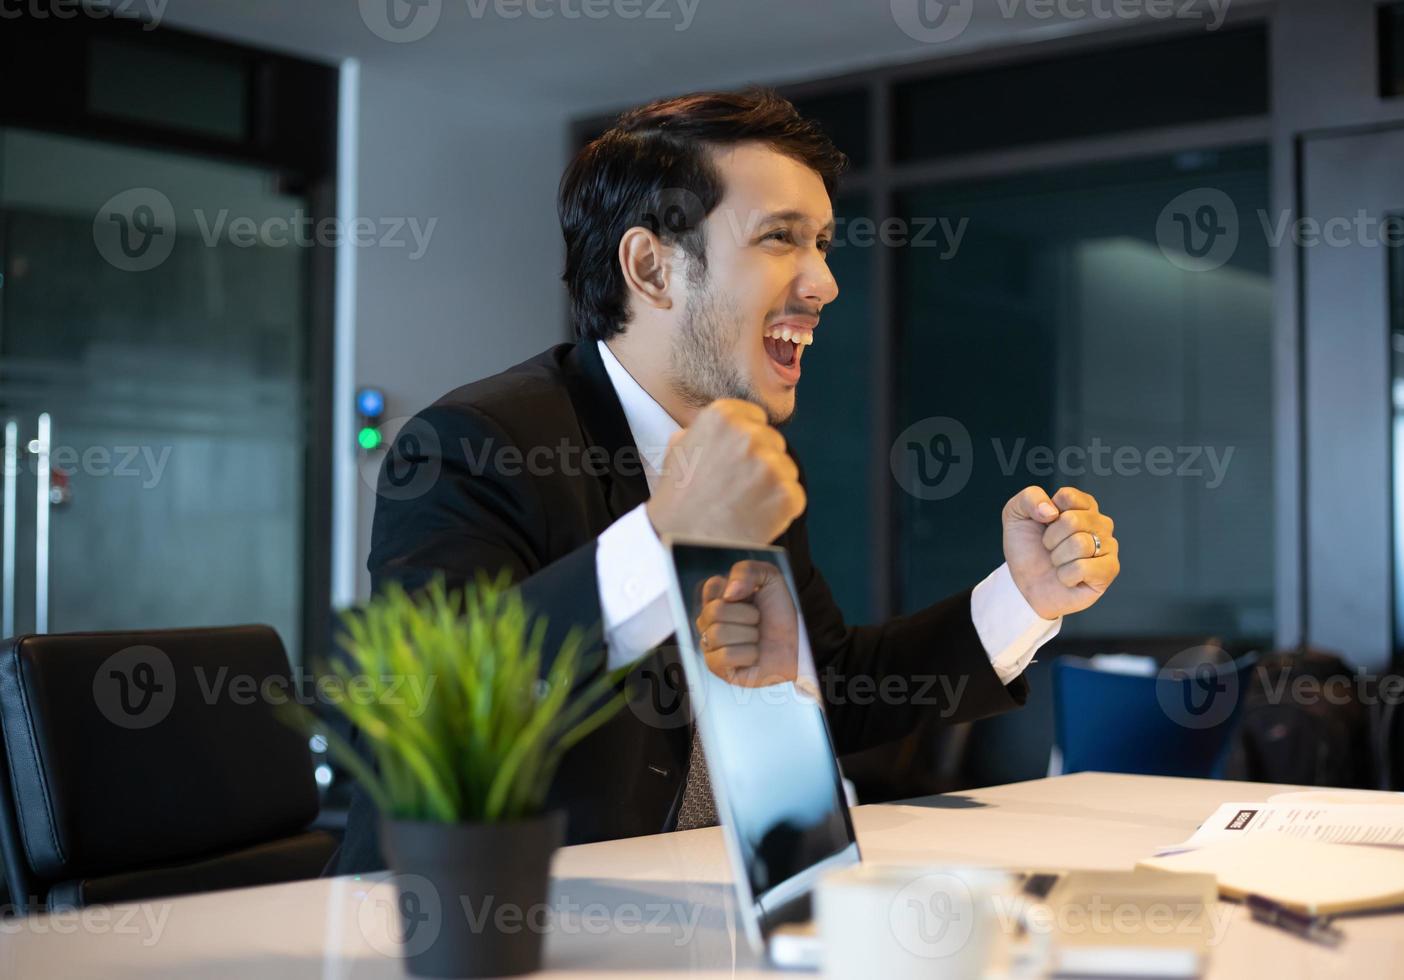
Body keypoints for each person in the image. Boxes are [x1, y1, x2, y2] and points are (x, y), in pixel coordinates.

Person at [331, 88, 1120, 874]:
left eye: (823, 244)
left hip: (705, 919)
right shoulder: (474, 443)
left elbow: (833, 685)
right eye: (781, 239)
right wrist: (664, 537)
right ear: (651, 267)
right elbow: (432, 706)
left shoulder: (753, 456)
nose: (825, 284)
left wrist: (1025, 595)